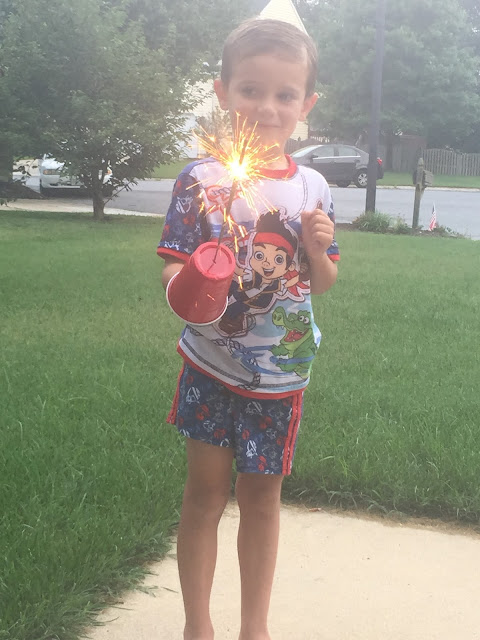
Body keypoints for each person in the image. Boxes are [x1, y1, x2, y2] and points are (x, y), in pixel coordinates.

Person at [157, 18, 339, 640]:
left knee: (262, 501)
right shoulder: (202, 179)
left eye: (285, 94)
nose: (267, 107)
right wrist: (194, 284)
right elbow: (172, 271)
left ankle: (254, 628)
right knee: (204, 496)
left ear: (306, 104)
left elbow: (323, 282)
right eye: (250, 90)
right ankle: (197, 626)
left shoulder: (312, 187)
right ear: (223, 92)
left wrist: (317, 249)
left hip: (280, 376)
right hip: (210, 365)